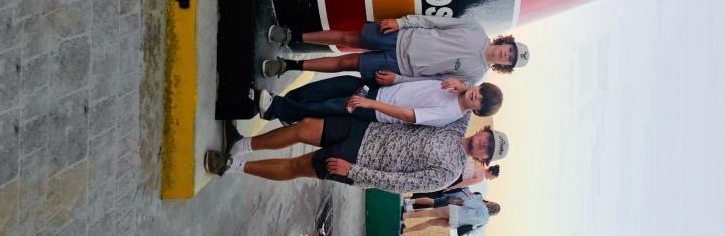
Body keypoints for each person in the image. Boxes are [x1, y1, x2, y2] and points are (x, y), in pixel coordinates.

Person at [203, 113, 511, 194]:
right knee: (304, 127)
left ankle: (231, 166)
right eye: (488, 139)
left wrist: (353, 171)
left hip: (356, 161)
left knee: (297, 166)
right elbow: (471, 95)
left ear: (483, 160)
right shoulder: (455, 125)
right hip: (364, 130)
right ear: (483, 131)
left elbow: (398, 184)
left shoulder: (449, 173)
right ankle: (242, 145)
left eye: (489, 150)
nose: (484, 144)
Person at [262, 16, 530, 84]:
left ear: (505, 66)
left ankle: (288, 65)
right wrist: (401, 23)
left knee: (346, 63)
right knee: (346, 37)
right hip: (400, 36)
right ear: (507, 42)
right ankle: (289, 36)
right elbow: (432, 22)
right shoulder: (475, 28)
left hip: (399, 67)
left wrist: (399, 80)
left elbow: (433, 82)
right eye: (511, 50)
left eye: (511, 59)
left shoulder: (475, 77)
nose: (507, 54)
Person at [254, 74, 503, 125]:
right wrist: (464, 86)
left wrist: (370, 104)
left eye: (480, 102)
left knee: (326, 107)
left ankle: (274, 109)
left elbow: (409, 116)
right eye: (480, 91)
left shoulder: (449, 113)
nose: (476, 95)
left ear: (477, 111)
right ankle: (286, 109)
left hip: (375, 109)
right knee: (328, 87)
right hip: (379, 88)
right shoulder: (459, 87)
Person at [403, 195, 500, 234]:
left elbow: (466, 202)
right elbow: (471, 231)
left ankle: (406, 216)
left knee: (428, 213)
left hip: (454, 211)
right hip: (455, 223)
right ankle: (405, 230)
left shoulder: (482, 206)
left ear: (491, 204)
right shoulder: (485, 222)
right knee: (430, 223)